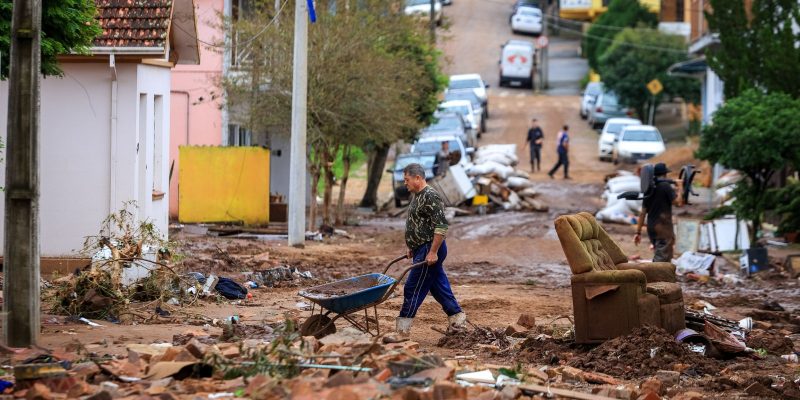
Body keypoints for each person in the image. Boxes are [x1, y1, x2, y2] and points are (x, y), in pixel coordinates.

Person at [395, 163, 466, 337]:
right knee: (438, 287)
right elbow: (418, 224)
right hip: (421, 248)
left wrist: (432, 252)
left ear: (418, 178)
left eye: (407, 179)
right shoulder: (418, 196)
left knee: (412, 287)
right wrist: (412, 246)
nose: (405, 183)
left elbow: (441, 226)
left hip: (430, 249)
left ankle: (402, 330)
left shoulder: (430, 196)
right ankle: (457, 319)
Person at [634, 163, 684, 262]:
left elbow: (642, 213)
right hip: (663, 227)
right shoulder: (665, 186)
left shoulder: (649, 189)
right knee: (661, 260)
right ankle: (655, 276)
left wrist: (638, 232)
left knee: (663, 255)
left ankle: (662, 275)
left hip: (652, 227)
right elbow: (678, 203)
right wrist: (680, 187)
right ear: (665, 174)